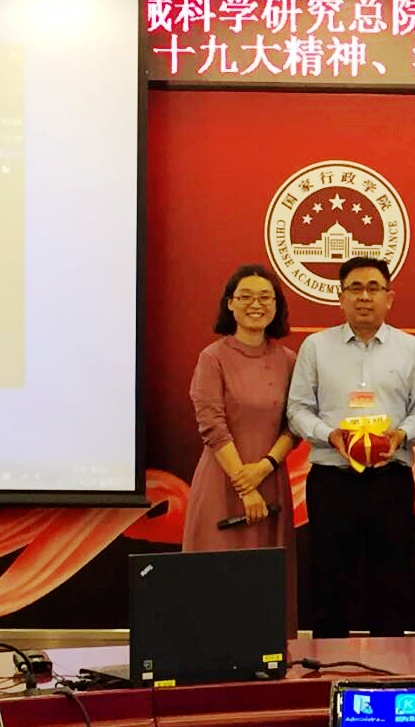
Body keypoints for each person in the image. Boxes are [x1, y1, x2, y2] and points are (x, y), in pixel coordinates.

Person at [287, 256, 415, 637]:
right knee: (329, 582)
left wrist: (400, 435)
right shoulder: (315, 347)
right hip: (333, 479)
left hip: (390, 480)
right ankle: (326, 666)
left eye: (373, 288)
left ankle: (389, 668)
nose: (364, 297)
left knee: (392, 583)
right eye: (355, 288)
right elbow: (297, 409)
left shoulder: (412, 349)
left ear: (389, 297)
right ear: (340, 297)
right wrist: (329, 434)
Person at [182, 264, 300, 632]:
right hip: (222, 483)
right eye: (245, 296)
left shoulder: (289, 360)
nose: (256, 304)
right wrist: (245, 485)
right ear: (230, 304)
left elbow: (294, 425)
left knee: (265, 588)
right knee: (215, 583)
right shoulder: (212, 357)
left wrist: (264, 467)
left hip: (271, 482)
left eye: (265, 297)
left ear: (277, 306)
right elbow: (212, 425)